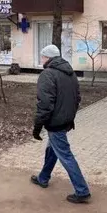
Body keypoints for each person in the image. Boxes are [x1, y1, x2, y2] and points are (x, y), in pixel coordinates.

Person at [31, 45, 91, 204]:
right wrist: (68, 116)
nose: (41, 59)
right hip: (65, 121)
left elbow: (44, 104)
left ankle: (82, 190)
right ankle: (43, 178)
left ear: (47, 57)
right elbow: (77, 99)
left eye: (42, 56)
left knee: (65, 155)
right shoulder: (70, 73)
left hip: (56, 123)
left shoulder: (47, 74)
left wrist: (37, 127)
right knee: (53, 149)